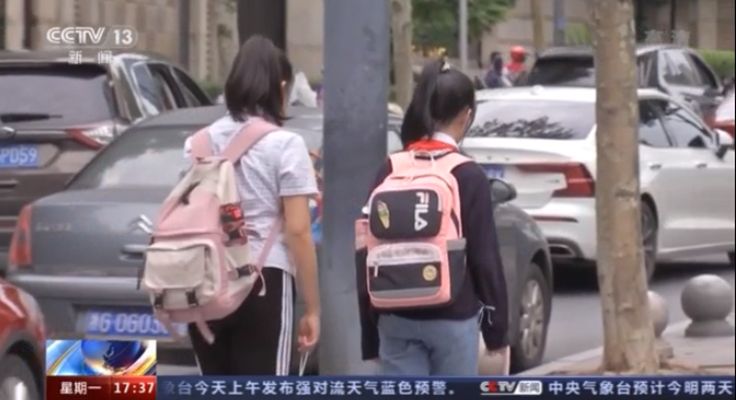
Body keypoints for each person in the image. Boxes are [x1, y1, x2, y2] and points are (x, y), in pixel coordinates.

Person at [357, 59, 510, 375]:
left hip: (395, 317)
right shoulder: (467, 174)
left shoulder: (391, 167)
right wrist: (497, 332)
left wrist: (369, 336)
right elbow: (485, 259)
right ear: (466, 115)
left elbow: (364, 251)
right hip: (453, 317)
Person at [183, 35, 321, 375]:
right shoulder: (286, 145)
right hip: (265, 282)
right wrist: (313, 309)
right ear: (281, 87)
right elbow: (298, 231)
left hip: (205, 283)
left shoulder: (197, 143)